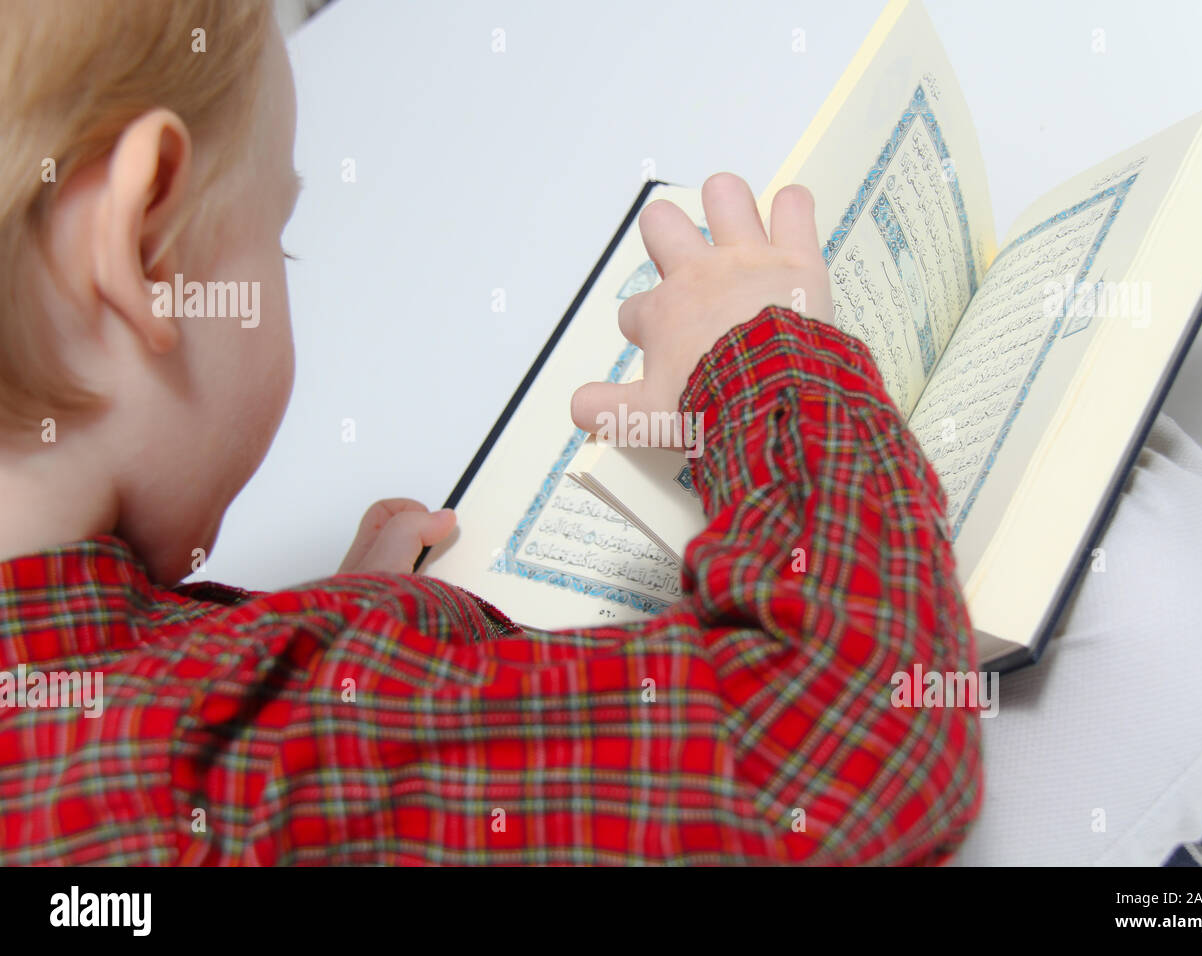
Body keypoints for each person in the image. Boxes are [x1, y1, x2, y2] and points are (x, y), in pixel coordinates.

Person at [0, 0, 980, 864]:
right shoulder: (204, 765)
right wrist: (762, 354)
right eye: (275, 239)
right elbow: (848, 736)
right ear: (138, 249)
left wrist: (354, 615)